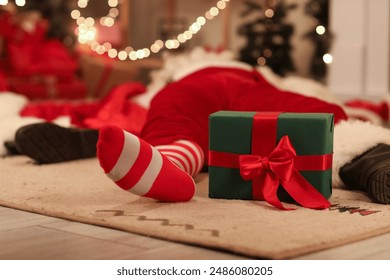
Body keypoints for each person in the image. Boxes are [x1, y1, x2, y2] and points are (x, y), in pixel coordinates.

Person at [7, 50, 390, 207]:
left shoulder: (230, 74)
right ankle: (167, 162)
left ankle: (373, 162)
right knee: (166, 115)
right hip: (200, 99)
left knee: (316, 113)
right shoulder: (167, 86)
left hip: (241, 92)